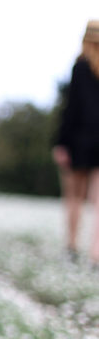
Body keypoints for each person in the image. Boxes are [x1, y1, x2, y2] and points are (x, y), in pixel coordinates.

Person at [53, 19, 99, 263]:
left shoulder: (80, 66)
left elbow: (71, 109)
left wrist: (61, 142)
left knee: (74, 197)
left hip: (79, 141)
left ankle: (71, 247)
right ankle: (96, 253)